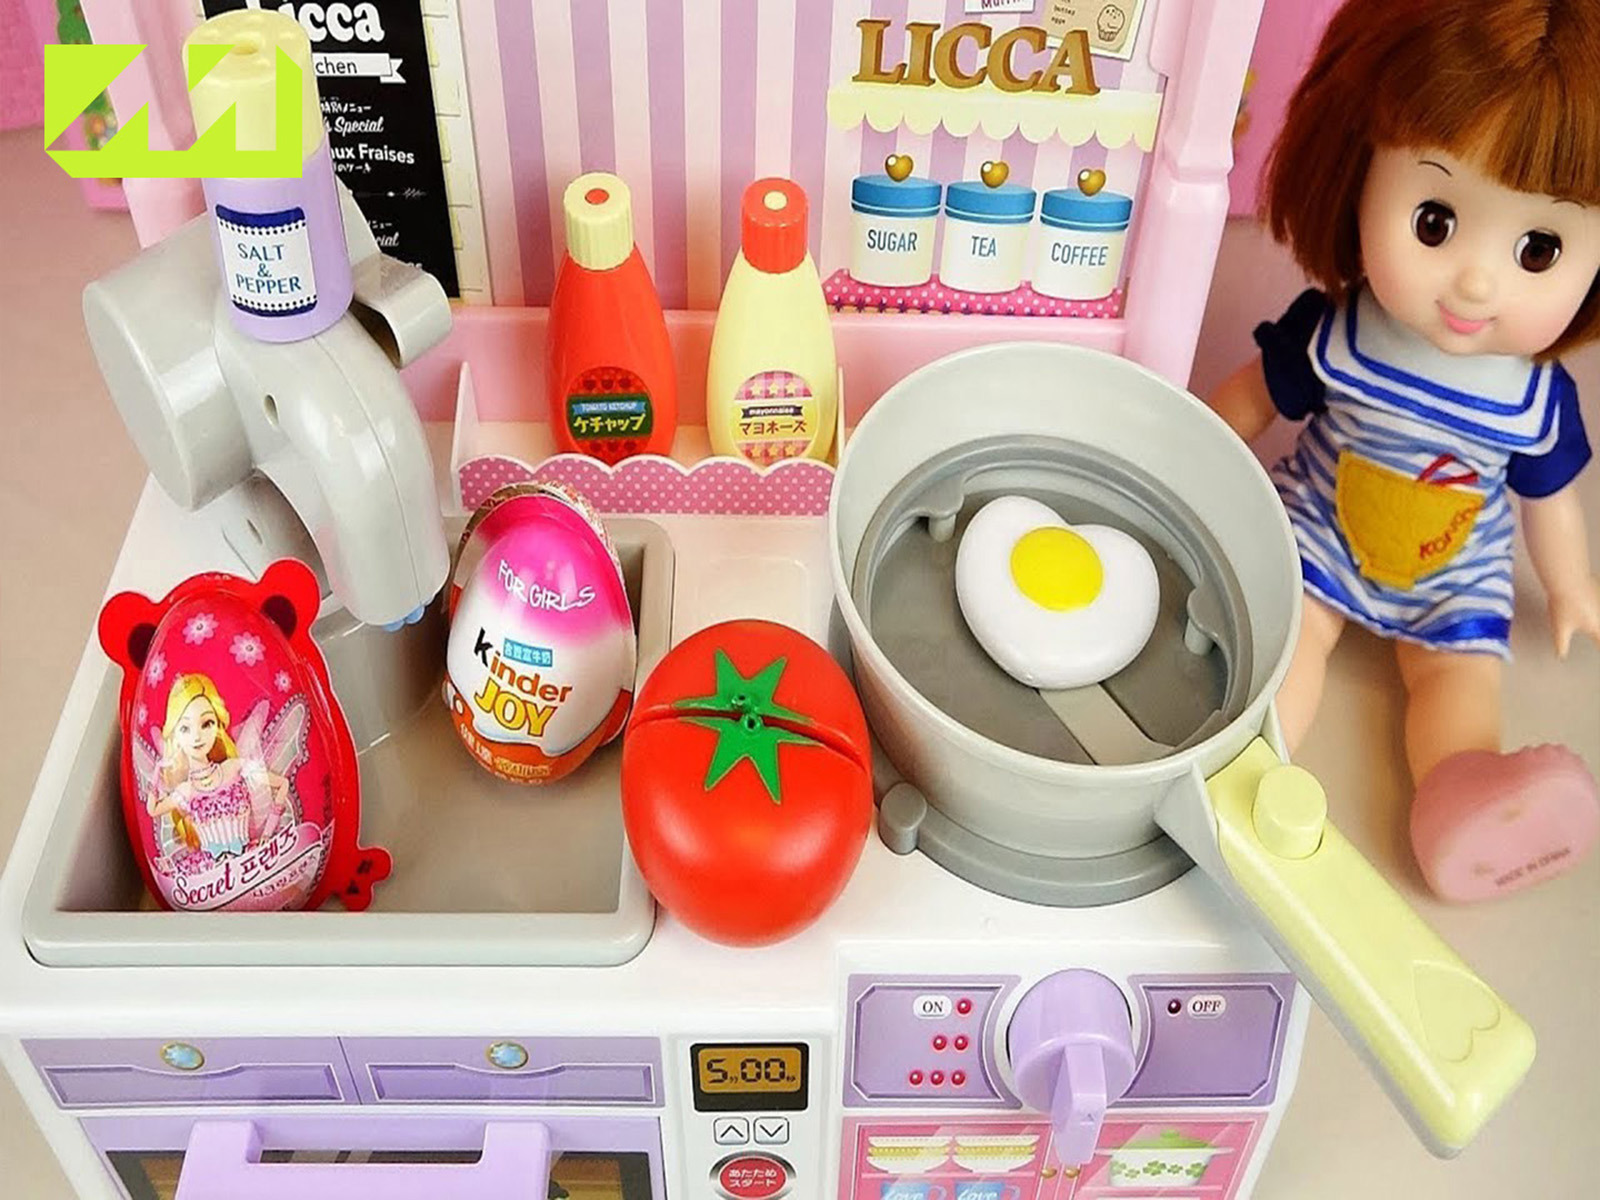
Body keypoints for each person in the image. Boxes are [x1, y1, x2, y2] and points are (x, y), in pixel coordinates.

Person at [1208, 0, 1600, 901]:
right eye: (1434, 221)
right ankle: (1251, 766)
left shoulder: (1533, 398)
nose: (1477, 280)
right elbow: (1251, 399)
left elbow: (1549, 501)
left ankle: (1464, 799)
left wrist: (1571, 585)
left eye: (1540, 248)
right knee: (1288, 642)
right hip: (1318, 537)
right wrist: (1194, 447)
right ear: (1358, 177)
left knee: (1458, 686)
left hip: (1456, 577)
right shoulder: (1341, 335)